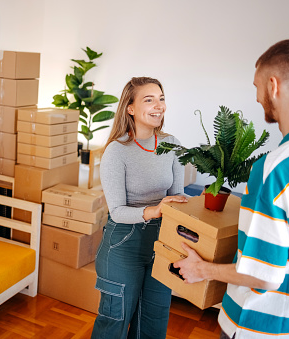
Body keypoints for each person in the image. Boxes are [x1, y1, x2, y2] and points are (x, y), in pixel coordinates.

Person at [174, 39, 289, 338]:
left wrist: (202, 269)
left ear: (273, 85)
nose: (259, 97)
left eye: (257, 86)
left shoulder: (276, 169)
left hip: (261, 326)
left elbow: (262, 274)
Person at [91, 77, 188, 339]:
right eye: (149, 99)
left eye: (161, 98)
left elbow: (177, 196)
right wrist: (154, 210)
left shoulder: (172, 144)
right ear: (130, 108)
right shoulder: (116, 151)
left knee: (153, 325)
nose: (159, 106)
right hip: (123, 245)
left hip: (161, 244)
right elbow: (117, 211)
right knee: (114, 325)